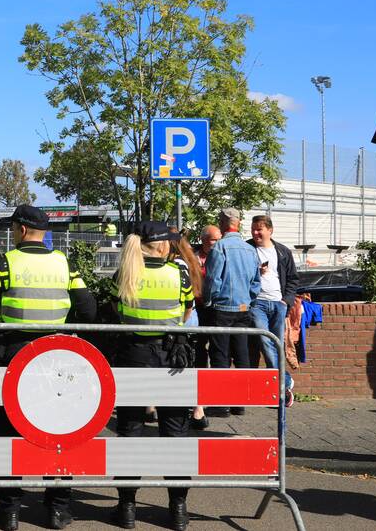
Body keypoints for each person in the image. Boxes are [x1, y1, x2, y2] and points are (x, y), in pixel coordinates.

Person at [0, 205, 100, 531]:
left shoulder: (8, 262)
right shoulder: (64, 263)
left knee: (8, 433)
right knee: (60, 431)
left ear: (20, 229)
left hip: (14, 355)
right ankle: (58, 509)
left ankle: (9, 511)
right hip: (57, 354)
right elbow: (88, 309)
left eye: (13, 227)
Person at [111, 221, 195, 531]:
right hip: (172, 356)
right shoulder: (178, 273)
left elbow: (115, 311)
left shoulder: (125, 273)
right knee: (175, 433)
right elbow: (187, 311)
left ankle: (127, 508)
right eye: (170, 242)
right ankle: (178, 510)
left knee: (130, 432)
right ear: (160, 245)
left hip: (133, 354)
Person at [204, 208, 261, 416]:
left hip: (222, 308)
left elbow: (212, 280)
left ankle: (221, 404)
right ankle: (240, 403)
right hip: (244, 308)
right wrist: (248, 300)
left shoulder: (220, 247)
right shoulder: (250, 250)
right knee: (242, 354)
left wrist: (209, 301)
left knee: (220, 355)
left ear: (222, 223)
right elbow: (256, 282)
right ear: (238, 223)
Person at [248, 215, 299, 409]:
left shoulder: (283, 252)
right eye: (253, 229)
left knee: (277, 346)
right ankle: (284, 382)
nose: (255, 233)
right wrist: (255, 273)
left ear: (270, 230)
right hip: (257, 303)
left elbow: (293, 279)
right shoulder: (248, 249)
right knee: (266, 342)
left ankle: (280, 392)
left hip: (278, 304)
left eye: (259, 229)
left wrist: (286, 301)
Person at [189, 225, 221, 429]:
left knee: (217, 352)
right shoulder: (193, 256)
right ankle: (197, 402)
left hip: (215, 308)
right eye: (213, 240)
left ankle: (211, 398)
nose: (217, 244)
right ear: (203, 239)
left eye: (218, 240)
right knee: (199, 352)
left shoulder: (221, 255)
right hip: (196, 308)